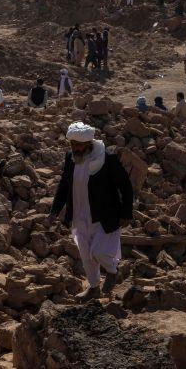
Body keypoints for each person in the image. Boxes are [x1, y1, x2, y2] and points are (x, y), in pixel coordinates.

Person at [48, 122, 133, 300]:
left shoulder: (106, 159)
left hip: (104, 215)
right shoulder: (71, 159)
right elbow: (64, 186)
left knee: (99, 251)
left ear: (89, 144)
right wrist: (54, 211)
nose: (76, 149)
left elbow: (125, 186)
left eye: (79, 145)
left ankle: (111, 271)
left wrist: (126, 213)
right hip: (80, 215)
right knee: (86, 255)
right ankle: (94, 288)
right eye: (73, 145)